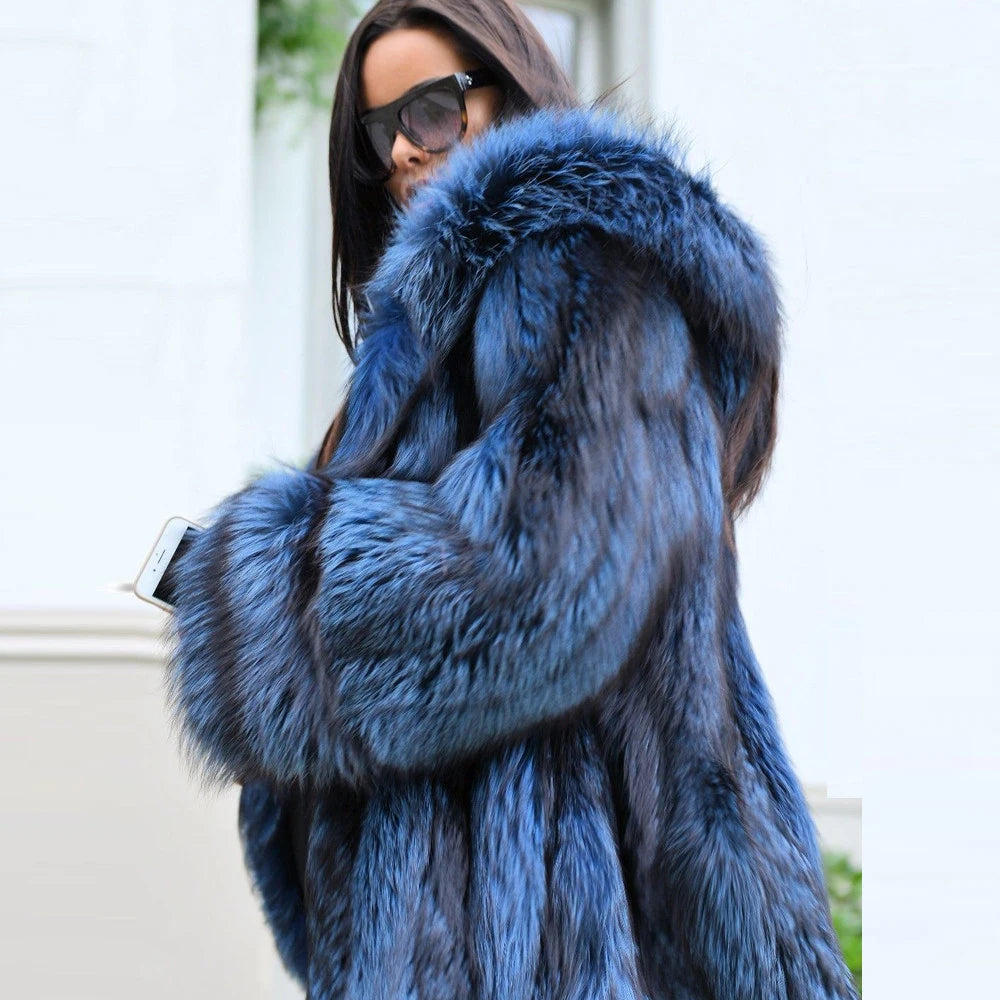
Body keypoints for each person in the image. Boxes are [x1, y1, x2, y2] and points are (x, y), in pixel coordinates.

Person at [161, 1, 858, 998]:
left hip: (573, 924)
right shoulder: (451, 321)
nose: (404, 148)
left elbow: (545, 569)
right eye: (378, 130)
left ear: (511, 88)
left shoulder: (577, 266)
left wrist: (256, 589)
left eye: (435, 107)